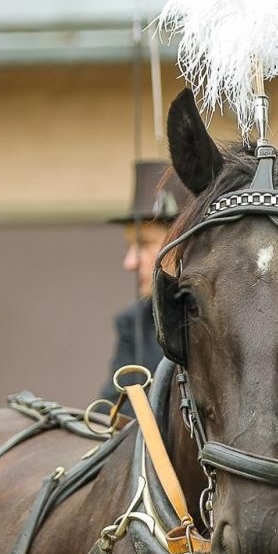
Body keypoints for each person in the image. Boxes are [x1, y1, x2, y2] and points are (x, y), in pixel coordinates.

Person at [98, 159, 192, 399]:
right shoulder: (133, 323)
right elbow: (114, 411)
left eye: (143, 244)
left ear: (182, 242)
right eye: (130, 247)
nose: (130, 263)